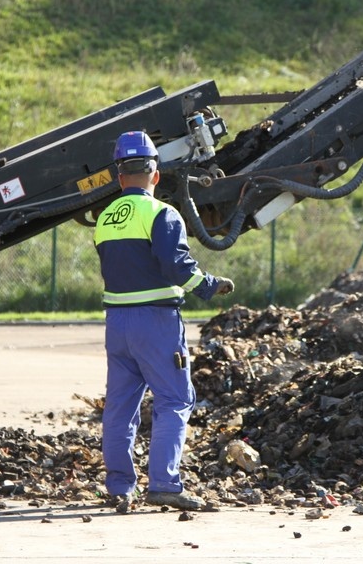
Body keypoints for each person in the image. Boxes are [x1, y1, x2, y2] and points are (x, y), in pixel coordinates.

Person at [94, 130, 234, 513]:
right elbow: (176, 267)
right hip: (154, 322)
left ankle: (120, 487)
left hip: (117, 324)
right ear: (155, 174)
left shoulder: (106, 218)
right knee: (175, 399)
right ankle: (165, 484)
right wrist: (208, 286)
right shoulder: (161, 213)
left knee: (120, 408)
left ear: (120, 175)